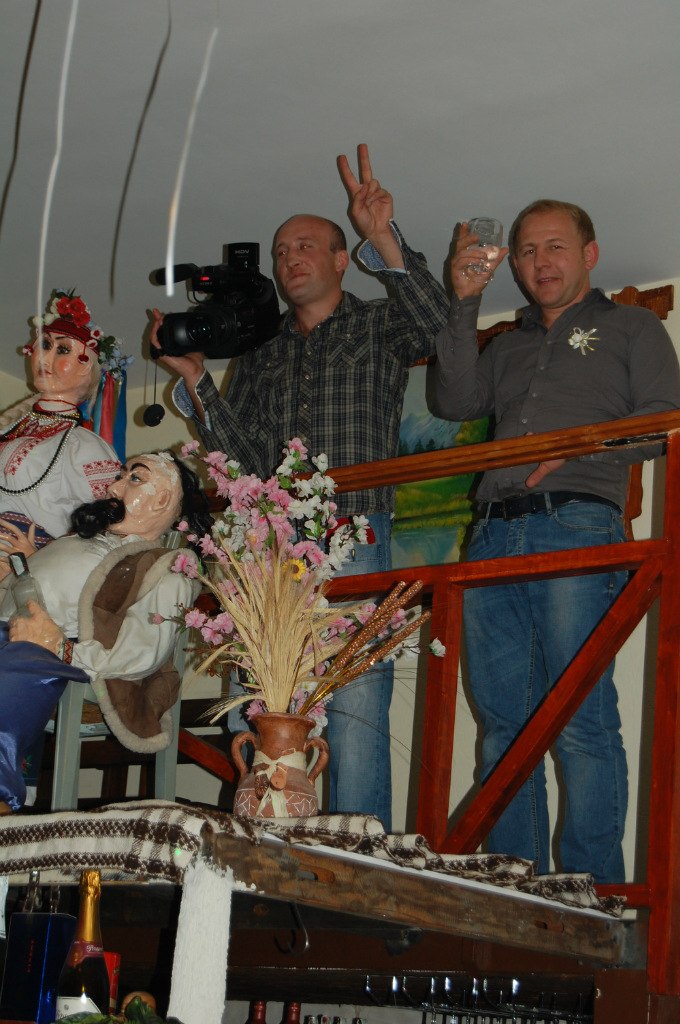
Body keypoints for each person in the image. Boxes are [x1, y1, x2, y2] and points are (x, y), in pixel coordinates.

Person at [149, 144, 449, 830]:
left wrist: (384, 235)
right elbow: (241, 457)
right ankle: (265, 852)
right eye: (282, 250)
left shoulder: (377, 324)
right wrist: (195, 379)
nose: (290, 258)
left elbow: (439, 324)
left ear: (342, 260)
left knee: (358, 702)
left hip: (357, 534)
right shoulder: (261, 351)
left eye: (306, 245)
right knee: (263, 698)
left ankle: (362, 862)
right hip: (271, 553)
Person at [429, 200, 680, 882]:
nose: (541, 261)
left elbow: (665, 420)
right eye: (528, 251)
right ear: (514, 264)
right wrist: (463, 303)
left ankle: (594, 898)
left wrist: (579, 449)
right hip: (490, 536)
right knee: (502, 728)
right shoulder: (505, 345)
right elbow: (452, 402)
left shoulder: (632, 326)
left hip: (578, 526)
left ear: (589, 254)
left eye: (555, 246)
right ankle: (519, 891)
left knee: (580, 720)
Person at [0, 451, 211, 814]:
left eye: (135, 478)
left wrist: (61, 648)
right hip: (13, 631)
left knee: (21, 663)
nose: (113, 487)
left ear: (162, 499)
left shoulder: (167, 568)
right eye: (120, 475)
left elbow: (142, 654)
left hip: (50, 652)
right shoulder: (77, 541)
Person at [0, 289, 123, 580]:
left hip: (23, 571)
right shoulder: (10, 428)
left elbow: (110, 532)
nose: (46, 356)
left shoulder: (84, 445)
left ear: (86, 367)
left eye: (63, 349)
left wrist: (41, 559)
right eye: (44, 344)